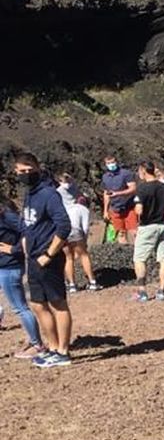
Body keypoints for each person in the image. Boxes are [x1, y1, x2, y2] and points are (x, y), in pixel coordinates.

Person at [15, 152, 72, 367]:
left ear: (38, 169)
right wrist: (23, 242)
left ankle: (63, 352)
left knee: (58, 304)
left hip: (47, 259)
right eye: (22, 171)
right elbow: (27, 224)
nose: (26, 175)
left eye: (30, 171)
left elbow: (64, 226)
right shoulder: (29, 194)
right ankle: (53, 346)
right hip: (33, 259)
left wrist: (49, 254)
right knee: (38, 305)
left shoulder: (49, 194)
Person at [0, 196, 44, 359]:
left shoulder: (7, 216)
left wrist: (14, 249)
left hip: (9, 267)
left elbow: (29, 231)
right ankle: (32, 341)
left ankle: (37, 345)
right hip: (4, 266)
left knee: (20, 307)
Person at [132, 162, 164, 302]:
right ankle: (162, 290)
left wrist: (137, 212)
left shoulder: (141, 188)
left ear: (143, 171)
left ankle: (142, 291)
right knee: (163, 258)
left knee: (139, 259)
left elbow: (139, 210)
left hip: (147, 226)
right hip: (163, 225)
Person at [62, 190, 98, 293]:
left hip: (64, 232)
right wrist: (85, 240)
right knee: (84, 255)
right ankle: (92, 282)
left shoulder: (65, 207)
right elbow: (85, 228)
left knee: (68, 258)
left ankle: (72, 285)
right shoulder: (83, 209)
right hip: (76, 232)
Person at [101, 155, 138, 244]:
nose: (111, 165)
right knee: (121, 233)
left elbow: (133, 188)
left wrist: (118, 193)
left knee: (134, 232)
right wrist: (105, 210)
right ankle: (124, 253)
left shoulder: (126, 173)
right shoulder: (105, 177)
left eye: (113, 162)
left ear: (116, 162)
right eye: (108, 163)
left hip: (129, 207)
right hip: (115, 208)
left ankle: (137, 252)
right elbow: (106, 194)